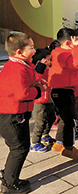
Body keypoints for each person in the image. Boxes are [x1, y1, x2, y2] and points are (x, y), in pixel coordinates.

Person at [0, 33, 40, 193]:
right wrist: (37, 90)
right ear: (19, 52)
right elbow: (22, 93)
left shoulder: (19, 64)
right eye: (31, 47)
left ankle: (9, 174)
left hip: (14, 113)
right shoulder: (17, 69)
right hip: (12, 116)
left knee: (18, 147)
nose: (35, 50)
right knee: (19, 148)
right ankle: (9, 184)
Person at [48, 28, 78, 160]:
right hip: (63, 90)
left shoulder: (58, 52)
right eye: (76, 40)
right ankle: (69, 148)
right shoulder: (63, 54)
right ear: (69, 42)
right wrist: (76, 48)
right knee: (71, 120)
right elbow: (76, 65)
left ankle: (59, 142)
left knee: (64, 118)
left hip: (63, 89)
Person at [30, 48, 56, 153]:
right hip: (40, 102)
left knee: (51, 118)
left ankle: (45, 136)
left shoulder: (48, 69)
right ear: (39, 62)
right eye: (48, 60)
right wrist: (40, 67)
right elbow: (36, 79)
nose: (50, 62)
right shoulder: (35, 71)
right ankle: (35, 143)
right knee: (40, 123)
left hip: (49, 100)